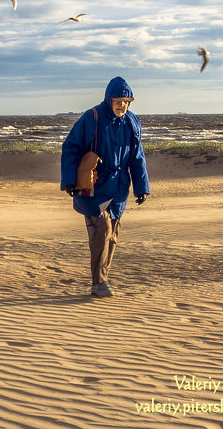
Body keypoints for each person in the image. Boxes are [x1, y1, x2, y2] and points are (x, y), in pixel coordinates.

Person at [60, 76, 150, 297]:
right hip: (94, 186)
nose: (122, 105)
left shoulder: (132, 122)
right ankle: (99, 283)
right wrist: (69, 180)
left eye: (126, 101)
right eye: (118, 100)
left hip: (119, 187)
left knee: (112, 235)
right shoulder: (91, 117)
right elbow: (71, 147)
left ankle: (102, 279)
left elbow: (137, 157)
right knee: (102, 230)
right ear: (109, 99)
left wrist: (142, 187)